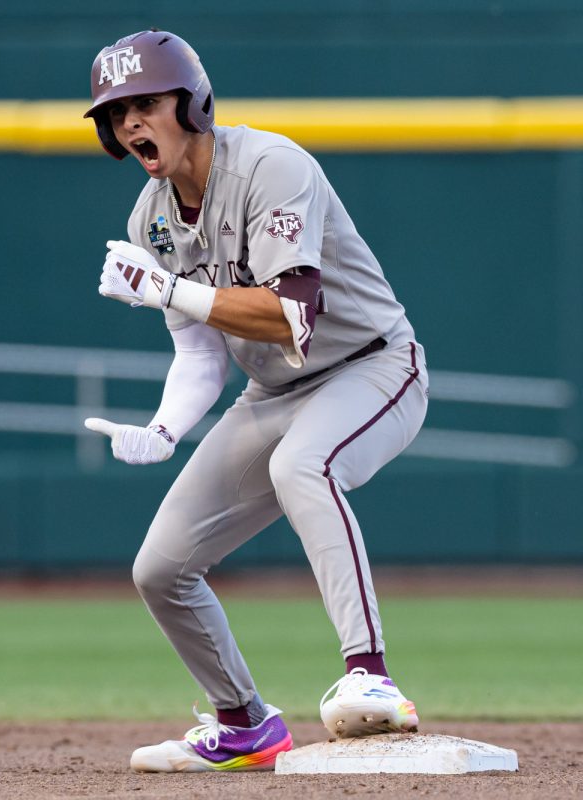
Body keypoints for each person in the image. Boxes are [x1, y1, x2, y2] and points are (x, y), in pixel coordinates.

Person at [81, 30, 428, 773]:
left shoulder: (272, 165)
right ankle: (244, 725)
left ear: (193, 102)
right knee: (159, 568)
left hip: (371, 367)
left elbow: (290, 315)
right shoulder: (152, 219)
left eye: (147, 103)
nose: (132, 123)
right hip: (271, 391)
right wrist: (167, 427)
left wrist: (170, 290)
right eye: (117, 113)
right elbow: (200, 352)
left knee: (303, 466)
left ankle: (372, 673)